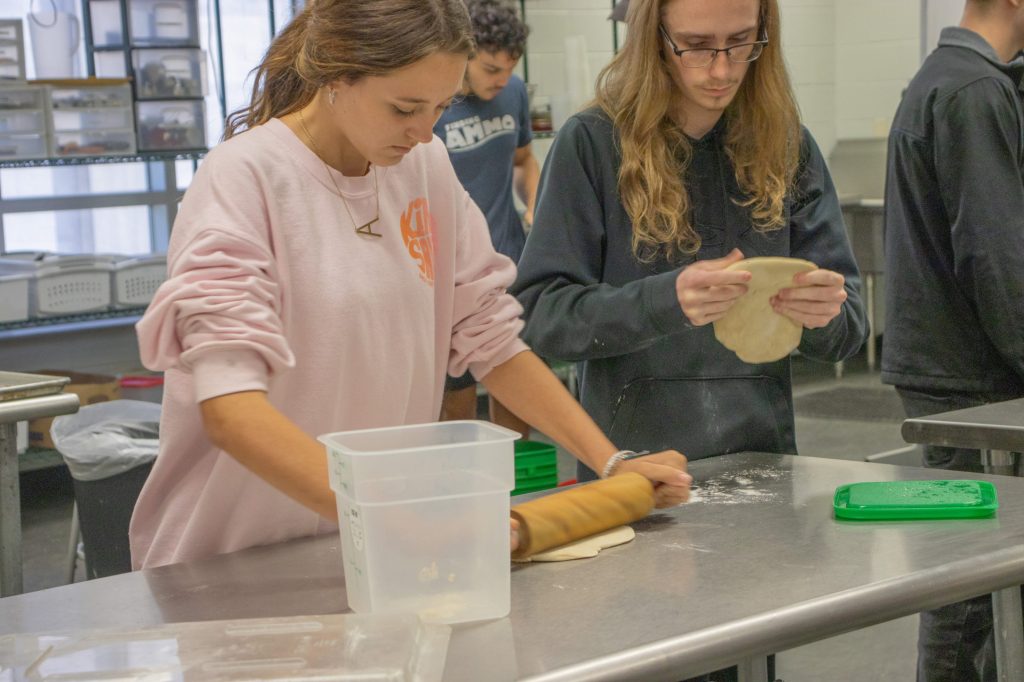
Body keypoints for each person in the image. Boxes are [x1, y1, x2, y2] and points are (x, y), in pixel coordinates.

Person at [128, 0, 691, 571]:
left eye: (441, 108)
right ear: (335, 77)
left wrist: (612, 462)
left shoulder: (424, 169)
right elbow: (230, 410)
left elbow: (492, 344)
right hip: (230, 562)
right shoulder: (245, 177)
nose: (423, 133)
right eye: (404, 108)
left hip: (369, 549)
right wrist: (389, 519)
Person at [512, 0, 867, 476]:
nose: (721, 69)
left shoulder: (787, 146)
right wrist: (665, 301)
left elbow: (849, 329)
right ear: (654, 38)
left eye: (741, 43)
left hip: (765, 465)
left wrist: (823, 317)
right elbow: (542, 318)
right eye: (697, 47)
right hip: (636, 474)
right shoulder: (592, 144)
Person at [883, 1, 1024, 679]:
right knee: (967, 596)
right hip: (971, 381)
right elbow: (995, 257)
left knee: (965, 584)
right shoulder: (974, 90)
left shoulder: (945, 79)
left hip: (951, 370)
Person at [434, 0, 540, 438]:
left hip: (510, 259)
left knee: (517, 390)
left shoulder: (513, 92)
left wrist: (535, 203)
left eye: (508, 69)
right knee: (456, 402)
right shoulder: (437, 104)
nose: (501, 80)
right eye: (491, 69)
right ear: (466, 55)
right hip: (451, 273)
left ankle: (518, 496)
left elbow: (524, 160)